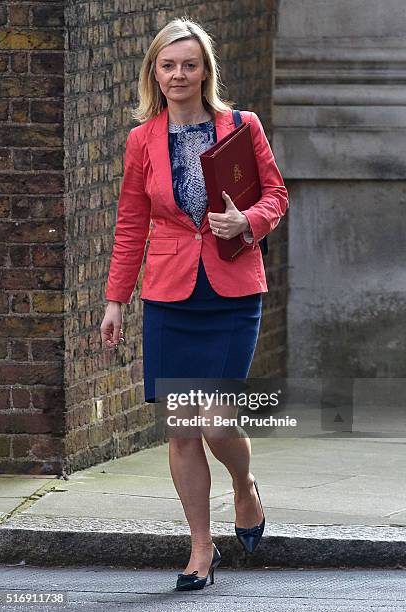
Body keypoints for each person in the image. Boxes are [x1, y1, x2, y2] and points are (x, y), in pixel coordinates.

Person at [100, 17, 289, 591]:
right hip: (169, 296)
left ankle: (244, 486)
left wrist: (248, 220)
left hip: (232, 293)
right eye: (168, 65)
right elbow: (132, 222)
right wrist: (115, 300)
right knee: (182, 429)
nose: (179, 74)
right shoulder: (142, 140)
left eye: (189, 64)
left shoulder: (242, 126)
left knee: (213, 419)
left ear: (205, 70)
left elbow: (277, 195)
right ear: (153, 73)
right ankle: (201, 548)